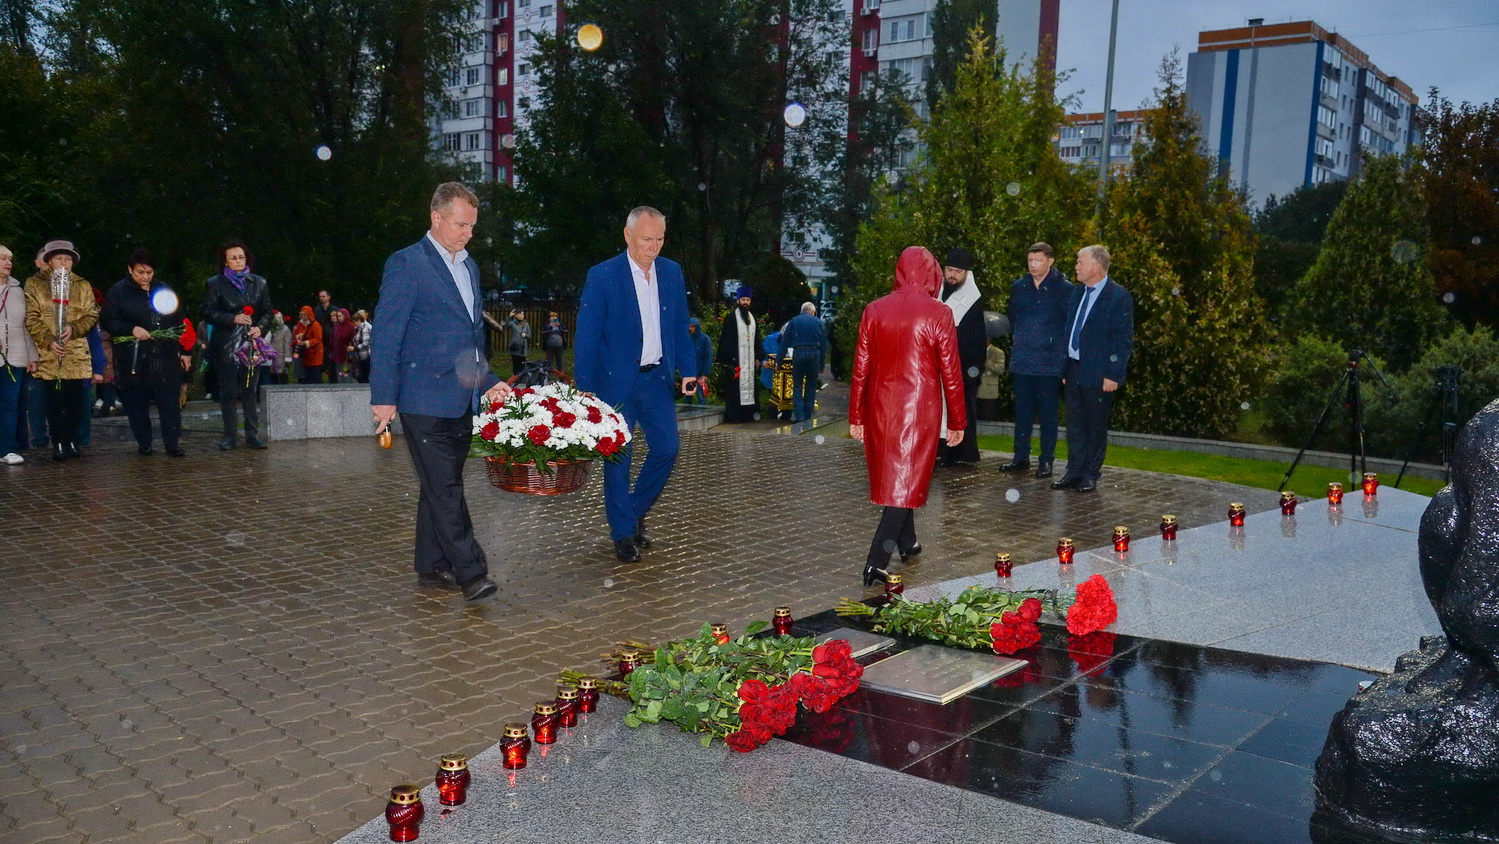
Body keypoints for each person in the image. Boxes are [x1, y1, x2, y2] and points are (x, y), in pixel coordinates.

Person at [370, 181, 509, 602]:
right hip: (420, 399)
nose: (468, 233)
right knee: (447, 487)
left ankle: (431, 565)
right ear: (436, 218)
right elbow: (387, 335)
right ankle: (471, 572)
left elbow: (470, 338)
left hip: (461, 397)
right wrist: (383, 396)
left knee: (438, 484)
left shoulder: (470, 267)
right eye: (461, 224)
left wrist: (487, 380)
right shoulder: (407, 264)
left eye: (472, 226)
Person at [574, 206, 701, 563]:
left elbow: (679, 325)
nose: (654, 246)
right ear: (628, 236)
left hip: (657, 380)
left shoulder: (671, 273)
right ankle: (623, 532)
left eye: (660, 239)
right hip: (616, 384)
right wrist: (584, 385)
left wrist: (689, 369)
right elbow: (587, 334)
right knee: (619, 459)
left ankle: (630, 511)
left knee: (667, 449)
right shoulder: (603, 276)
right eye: (647, 239)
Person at [849, 246, 966, 586]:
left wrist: (856, 415)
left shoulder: (875, 310)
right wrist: (957, 421)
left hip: (881, 406)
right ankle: (875, 560)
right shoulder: (938, 313)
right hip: (919, 409)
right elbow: (951, 373)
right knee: (906, 479)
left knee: (902, 475)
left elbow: (861, 369)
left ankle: (908, 542)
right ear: (932, 274)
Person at [1052, 244, 1133, 494]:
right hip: (1074, 371)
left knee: (1095, 426)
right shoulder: (1077, 294)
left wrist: (1114, 373)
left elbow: (1123, 338)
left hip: (1100, 374)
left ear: (1096, 266)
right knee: (1075, 426)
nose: (1076, 266)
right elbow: (1069, 331)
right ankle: (1074, 472)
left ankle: (1090, 474)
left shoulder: (1118, 296)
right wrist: (1065, 369)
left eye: (1080, 262)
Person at [100, 248, 193, 456]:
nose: (145, 277)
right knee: (137, 405)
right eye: (140, 272)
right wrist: (130, 329)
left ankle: (172, 443)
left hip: (165, 357)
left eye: (149, 272)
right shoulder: (118, 292)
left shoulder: (163, 289)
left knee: (169, 404)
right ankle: (145, 443)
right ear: (130, 270)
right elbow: (107, 319)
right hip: (134, 358)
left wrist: (186, 350)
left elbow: (181, 321)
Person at [1002, 241, 1073, 478]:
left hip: (1050, 365)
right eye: (1030, 260)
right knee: (1022, 414)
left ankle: (1046, 461)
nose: (1033, 265)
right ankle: (1020, 458)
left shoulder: (1064, 289)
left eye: (1038, 260)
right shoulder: (1019, 287)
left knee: (1048, 416)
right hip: (1023, 361)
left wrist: (1063, 363)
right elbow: (1013, 319)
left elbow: (1069, 327)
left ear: (1050, 261)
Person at [23, 240, 97, 461]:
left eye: (68, 258)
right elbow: (31, 317)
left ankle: (73, 439)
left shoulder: (82, 284)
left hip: (75, 352)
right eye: (59, 258)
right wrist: (47, 340)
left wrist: (73, 328)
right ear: (49, 261)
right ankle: (59, 442)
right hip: (49, 353)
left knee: (76, 401)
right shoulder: (34, 284)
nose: (64, 262)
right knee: (55, 401)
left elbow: (91, 315)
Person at [202, 239, 275, 450]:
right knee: (228, 392)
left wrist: (261, 327)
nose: (238, 261)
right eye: (233, 258)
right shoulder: (214, 284)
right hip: (226, 346)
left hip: (251, 345)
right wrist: (231, 318)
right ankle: (230, 436)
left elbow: (268, 311)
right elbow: (207, 312)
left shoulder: (259, 283)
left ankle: (252, 435)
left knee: (250, 391)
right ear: (225, 262)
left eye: (241, 257)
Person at [937, 248, 985, 466]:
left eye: (957, 271)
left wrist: (971, 372)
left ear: (966, 273)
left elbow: (976, 340)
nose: (952, 275)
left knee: (960, 412)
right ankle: (940, 451)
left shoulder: (974, 300)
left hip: (962, 367)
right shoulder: (938, 290)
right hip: (938, 366)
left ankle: (960, 454)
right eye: (949, 270)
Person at [0, 244, 38, 465]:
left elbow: (26, 326)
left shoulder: (18, 290)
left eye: (10, 259)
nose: (8, 263)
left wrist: (32, 356)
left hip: (14, 357)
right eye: (3, 258)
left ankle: (7, 449)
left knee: (10, 404)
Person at [715, 286, 763, 423]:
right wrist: (727, 360)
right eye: (743, 299)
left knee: (751, 388)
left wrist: (759, 356)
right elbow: (726, 339)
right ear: (738, 301)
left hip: (750, 362)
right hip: (736, 361)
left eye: (748, 299)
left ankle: (749, 415)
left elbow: (757, 339)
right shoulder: (731, 318)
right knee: (735, 390)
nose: (745, 302)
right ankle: (735, 416)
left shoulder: (753, 319)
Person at [778, 302, 825, 422]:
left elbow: (784, 342)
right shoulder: (819, 322)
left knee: (797, 386)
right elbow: (824, 345)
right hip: (814, 354)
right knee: (810, 386)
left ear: (801, 311)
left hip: (799, 353)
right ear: (813, 312)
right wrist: (822, 365)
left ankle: (799, 416)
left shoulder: (794, 321)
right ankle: (808, 415)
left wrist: (779, 362)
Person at [293, 306, 324, 384]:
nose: (303, 316)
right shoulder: (299, 324)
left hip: (314, 354)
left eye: (305, 314)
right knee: (305, 375)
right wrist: (298, 337)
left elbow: (318, 339)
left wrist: (306, 343)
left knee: (315, 375)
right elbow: (295, 334)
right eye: (302, 314)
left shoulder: (315, 325)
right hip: (304, 355)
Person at [687, 318, 713, 405]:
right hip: (690, 373)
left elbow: (708, 357)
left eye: (693, 326)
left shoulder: (705, 339)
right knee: (688, 396)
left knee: (701, 397)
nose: (691, 329)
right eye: (689, 326)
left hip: (701, 373)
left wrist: (705, 373)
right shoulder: (688, 339)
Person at [978, 338, 1005, 421]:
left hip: (989, 392)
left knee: (987, 418)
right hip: (976, 389)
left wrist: (987, 362)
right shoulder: (975, 350)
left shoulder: (998, 352)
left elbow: (1000, 369)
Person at [312, 289, 337, 381]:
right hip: (320, 338)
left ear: (328, 297)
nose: (321, 298)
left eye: (323, 296)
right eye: (320, 296)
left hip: (331, 338)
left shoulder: (335, 310)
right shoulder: (317, 310)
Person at [327, 307, 355, 382]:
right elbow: (332, 340)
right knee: (339, 375)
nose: (338, 318)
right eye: (337, 316)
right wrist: (331, 351)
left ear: (345, 316)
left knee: (346, 375)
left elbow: (353, 340)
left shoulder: (350, 327)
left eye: (340, 316)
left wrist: (352, 352)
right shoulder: (337, 327)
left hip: (347, 355)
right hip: (337, 355)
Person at [268, 311, 293, 384]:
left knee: (281, 375)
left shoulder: (285, 329)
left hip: (281, 356)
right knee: (272, 375)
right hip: (271, 356)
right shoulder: (271, 329)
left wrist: (288, 358)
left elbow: (288, 344)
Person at [348, 309, 372, 383]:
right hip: (359, 357)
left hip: (366, 356)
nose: (353, 323)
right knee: (361, 376)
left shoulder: (365, 329)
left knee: (366, 376)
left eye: (354, 322)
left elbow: (366, 343)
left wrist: (355, 348)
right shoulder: (358, 329)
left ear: (359, 321)